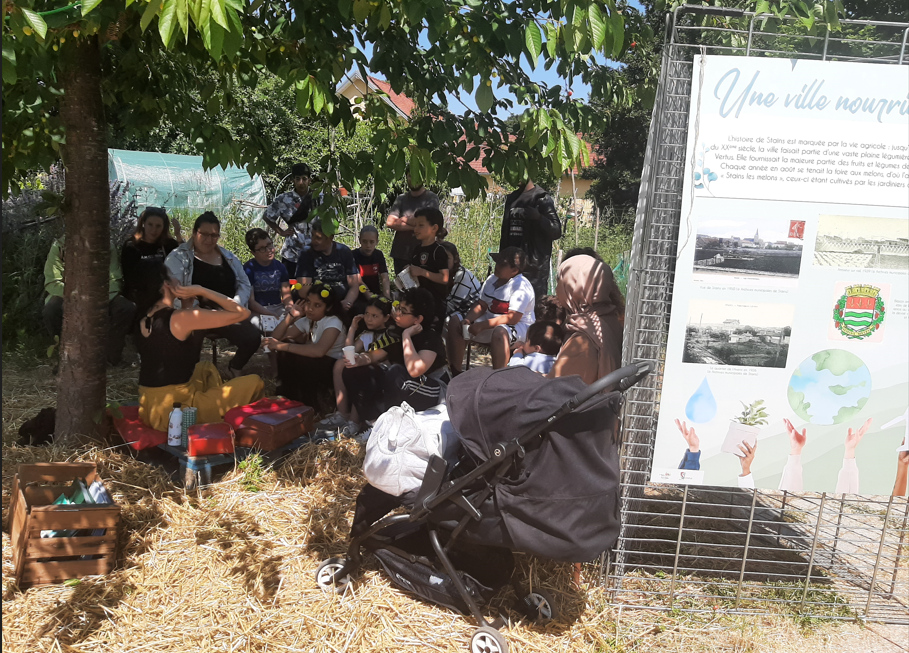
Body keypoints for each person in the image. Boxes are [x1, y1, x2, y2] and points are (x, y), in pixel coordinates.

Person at [134, 263, 264, 431]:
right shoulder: (182, 317)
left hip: (149, 407)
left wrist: (187, 305)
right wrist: (202, 290)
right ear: (167, 284)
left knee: (205, 368)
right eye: (174, 276)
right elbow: (242, 313)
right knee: (255, 382)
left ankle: (216, 407)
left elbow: (169, 346)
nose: (179, 279)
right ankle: (238, 422)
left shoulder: (143, 317)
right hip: (176, 412)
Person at [165, 212, 259, 378]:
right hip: (195, 313)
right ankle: (189, 377)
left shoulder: (228, 257)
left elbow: (244, 283)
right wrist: (202, 313)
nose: (209, 240)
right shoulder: (178, 257)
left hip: (227, 313)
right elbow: (176, 293)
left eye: (214, 235)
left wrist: (235, 303)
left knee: (253, 338)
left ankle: (235, 366)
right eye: (204, 234)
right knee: (192, 339)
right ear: (194, 233)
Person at [340, 288, 448, 431]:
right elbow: (373, 356)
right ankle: (374, 425)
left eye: (403, 311)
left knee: (396, 372)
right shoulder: (395, 332)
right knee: (353, 371)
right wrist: (358, 360)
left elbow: (415, 370)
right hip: (407, 384)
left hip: (433, 391)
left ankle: (389, 427)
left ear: (418, 319)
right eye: (398, 308)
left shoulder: (430, 338)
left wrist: (406, 337)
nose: (397, 314)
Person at [43, 237, 136, 366]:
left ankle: (111, 357)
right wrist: (78, 296)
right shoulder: (59, 246)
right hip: (68, 295)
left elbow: (116, 279)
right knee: (51, 310)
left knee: (126, 308)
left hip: (102, 294)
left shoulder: (107, 246)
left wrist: (96, 298)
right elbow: (52, 281)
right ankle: (67, 360)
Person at [317, 296, 395, 438]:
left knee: (359, 372)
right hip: (363, 369)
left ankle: (355, 420)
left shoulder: (390, 335)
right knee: (341, 363)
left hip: (382, 377)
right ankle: (342, 413)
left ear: (386, 317)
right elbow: (348, 352)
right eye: (366, 314)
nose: (369, 319)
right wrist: (352, 329)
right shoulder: (366, 335)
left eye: (374, 316)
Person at [447, 247, 535, 372]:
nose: (497, 265)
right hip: (492, 322)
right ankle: (455, 372)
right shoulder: (491, 279)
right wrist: (468, 319)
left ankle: (497, 379)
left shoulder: (521, 287)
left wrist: (482, 325)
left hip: (520, 327)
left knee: (500, 333)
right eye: (497, 261)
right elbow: (482, 305)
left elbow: (513, 318)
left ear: (514, 270)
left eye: (502, 264)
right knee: (456, 321)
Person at [263, 282, 346, 409]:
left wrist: (280, 345)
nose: (310, 308)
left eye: (317, 305)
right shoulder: (308, 320)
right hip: (318, 363)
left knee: (302, 358)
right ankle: (286, 395)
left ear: (328, 308)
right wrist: (291, 315)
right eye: (308, 302)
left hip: (334, 367)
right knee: (287, 351)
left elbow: (319, 351)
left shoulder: (333, 322)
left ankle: (310, 404)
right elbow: (276, 337)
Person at [549, 254, 624, 386]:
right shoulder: (610, 319)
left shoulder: (583, 340)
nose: (556, 289)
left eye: (560, 281)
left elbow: (557, 390)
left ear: (574, 287)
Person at [499, 179, 561, 300]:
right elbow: (505, 230)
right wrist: (501, 257)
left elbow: (556, 231)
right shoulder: (512, 198)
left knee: (532, 306)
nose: (513, 175)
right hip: (511, 264)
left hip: (533, 268)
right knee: (508, 303)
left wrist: (538, 218)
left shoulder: (541, 198)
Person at [262, 163, 318, 279]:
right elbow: (267, 216)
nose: (301, 182)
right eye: (297, 179)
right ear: (293, 180)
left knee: (314, 289)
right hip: (292, 253)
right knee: (289, 287)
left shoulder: (318, 198)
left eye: (304, 179)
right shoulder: (283, 199)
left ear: (309, 180)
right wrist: (281, 232)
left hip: (315, 252)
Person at [295, 216, 361, 311]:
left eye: (318, 238)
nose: (313, 241)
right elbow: (303, 290)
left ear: (330, 238)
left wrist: (347, 301)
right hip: (317, 306)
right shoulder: (306, 253)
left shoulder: (344, 251)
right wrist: (328, 305)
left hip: (342, 304)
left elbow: (354, 285)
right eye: (312, 235)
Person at [120, 207, 183, 306]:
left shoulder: (167, 244)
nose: (154, 230)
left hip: (165, 296)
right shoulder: (131, 246)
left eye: (158, 226)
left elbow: (183, 258)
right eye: (150, 225)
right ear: (143, 224)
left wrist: (178, 235)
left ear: (164, 227)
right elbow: (130, 279)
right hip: (139, 298)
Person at [385, 173, 441, 274]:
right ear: (406, 177)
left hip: (424, 253)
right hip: (401, 254)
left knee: (423, 288)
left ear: (423, 177)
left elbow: (429, 221)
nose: (413, 178)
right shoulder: (401, 199)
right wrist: (417, 226)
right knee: (402, 287)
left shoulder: (431, 198)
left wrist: (403, 219)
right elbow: (390, 222)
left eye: (417, 174)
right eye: (410, 175)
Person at [408, 208, 450, 330]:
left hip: (435, 304)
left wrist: (422, 272)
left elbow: (445, 278)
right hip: (418, 303)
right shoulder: (416, 249)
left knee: (431, 337)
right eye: (415, 225)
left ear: (434, 228)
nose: (416, 229)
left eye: (421, 225)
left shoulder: (439, 250)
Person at [243, 228, 292, 332]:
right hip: (258, 310)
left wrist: (289, 309)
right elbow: (251, 302)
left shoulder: (280, 267)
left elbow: (287, 296)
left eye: (269, 245)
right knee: (265, 326)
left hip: (278, 307)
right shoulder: (249, 268)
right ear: (253, 252)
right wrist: (270, 314)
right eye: (262, 248)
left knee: (294, 324)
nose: (268, 250)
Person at [440, 241, 480, 321]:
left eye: (446, 258)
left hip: (471, 314)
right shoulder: (442, 274)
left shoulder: (462, 275)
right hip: (459, 310)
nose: (442, 261)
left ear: (455, 259)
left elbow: (452, 305)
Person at [353, 225, 391, 300]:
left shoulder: (378, 255)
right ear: (360, 240)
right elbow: (358, 280)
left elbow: (385, 277)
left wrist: (387, 296)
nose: (368, 245)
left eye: (372, 242)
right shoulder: (354, 255)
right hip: (358, 296)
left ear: (377, 242)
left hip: (376, 294)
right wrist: (370, 296)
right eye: (365, 241)